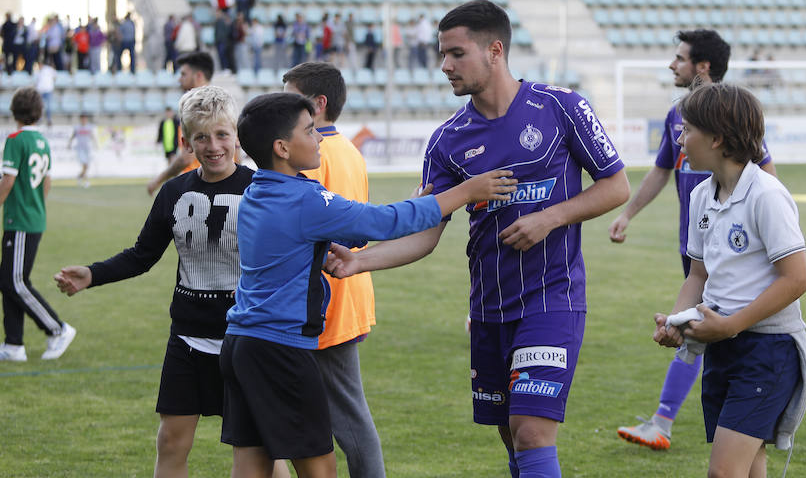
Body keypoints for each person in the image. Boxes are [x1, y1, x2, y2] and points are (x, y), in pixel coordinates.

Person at [325, 0, 630, 477]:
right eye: (442, 54)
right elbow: (425, 234)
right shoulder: (448, 140)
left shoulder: (561, 107)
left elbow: (616, 186)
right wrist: (360, 263)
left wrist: (549, 218)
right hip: (488, 308)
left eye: (456, 53)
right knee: (512, 436)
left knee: (531, 429)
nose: (445, 65)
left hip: (552, 298)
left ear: (495, 50)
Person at [220, 91, 516, 478]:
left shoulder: (258, 191)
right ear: (282, 148)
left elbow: (349, 232)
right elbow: (379, 222)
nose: (319, 138)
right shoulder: (303, 199)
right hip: (281, 351)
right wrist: (465, 192)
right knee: (320, 469)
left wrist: (407, 212)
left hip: (241, 345)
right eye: (310, 131)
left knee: (252, 464)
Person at [54, 86, 254, 477]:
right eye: (201, 137)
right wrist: (93, 274)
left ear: (237, 138)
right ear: (186, 142)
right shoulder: (174, 192)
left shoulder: (260, 190)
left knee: (257, 453)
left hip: (246, 340)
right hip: (187, 338)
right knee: (170, 442)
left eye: (221, 134)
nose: (213, 146)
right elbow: (142, 255)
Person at [609, 29, 776, 451]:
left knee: (705, 333)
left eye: (680, 58)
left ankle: (665, 422)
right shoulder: (676, 115)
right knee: (698, 332)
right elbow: (662, 170)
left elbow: (767, 179)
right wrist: (627, 213)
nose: (672, 65)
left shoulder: (727, 117)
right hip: (695, 250)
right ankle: (686, 425)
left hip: (732, 253)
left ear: (702, 66)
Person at [653, 82, 806, 478]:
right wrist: (675, 321)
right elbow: (699, 275)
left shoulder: (766, 195)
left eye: (687, 129)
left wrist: (731, 325)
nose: (680, 137)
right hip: (723, 345)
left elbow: (796, 279)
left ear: (718, 138)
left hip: (768, 349)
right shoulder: (701, 196)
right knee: (750, 466)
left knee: (723, 472)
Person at [282, 62, 385, 477]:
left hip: (324, 303)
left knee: (348, 421)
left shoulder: (313, 154)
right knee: (317, 416)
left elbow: (300, 229)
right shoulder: (349, 151)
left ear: (317, 104)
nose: (287, 105)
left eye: (293, 96)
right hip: (346, 296)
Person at [0, 87, 76, 362]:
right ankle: (13, 345)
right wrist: (36, 206)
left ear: (14, 111)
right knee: (8, 280)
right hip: (32, 218)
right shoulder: (42, 142)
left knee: (15, 281)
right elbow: (47, 182)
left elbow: (7, 182)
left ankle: (57, 328)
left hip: (19, 221)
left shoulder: (15, 140)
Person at [146, 51, 214, 195]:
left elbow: (186, 158)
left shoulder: (197, 107)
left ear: (198, 76)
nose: (179, 79)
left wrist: (158, 180)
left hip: (200, 189)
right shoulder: (222, 105)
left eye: (183, 74)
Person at [69, 113, 98, 188]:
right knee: (85, 165)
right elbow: (73, 136)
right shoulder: (77, 128)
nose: (84, 120)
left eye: (85, 118)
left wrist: (95, 144)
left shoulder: (89, 127)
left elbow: (92, 136)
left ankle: (79, 177)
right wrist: (69, 144)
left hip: (87, 149)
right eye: (82, 118)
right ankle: (86, 181)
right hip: (80, 149)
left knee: (86, 166)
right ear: (80, 119)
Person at [34, 58, 57, 127]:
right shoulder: (38, 71)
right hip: (41, 91)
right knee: (40, 106)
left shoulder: (48, 69)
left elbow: (55, 76)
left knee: (48, 106)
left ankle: (49, 120)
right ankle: (39, 120)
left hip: (48, 90)